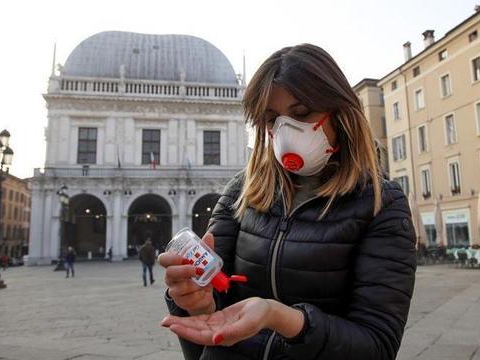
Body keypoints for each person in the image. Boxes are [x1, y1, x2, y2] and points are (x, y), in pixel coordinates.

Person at [158, 44, 416, 360]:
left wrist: (284, 319)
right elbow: (212, 313)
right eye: (271, 119)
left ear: (341, 113)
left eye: (302, 113)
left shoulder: (381, 205)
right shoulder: (242, 192)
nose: (285, 130)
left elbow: (377, 346)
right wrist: (194, 301)